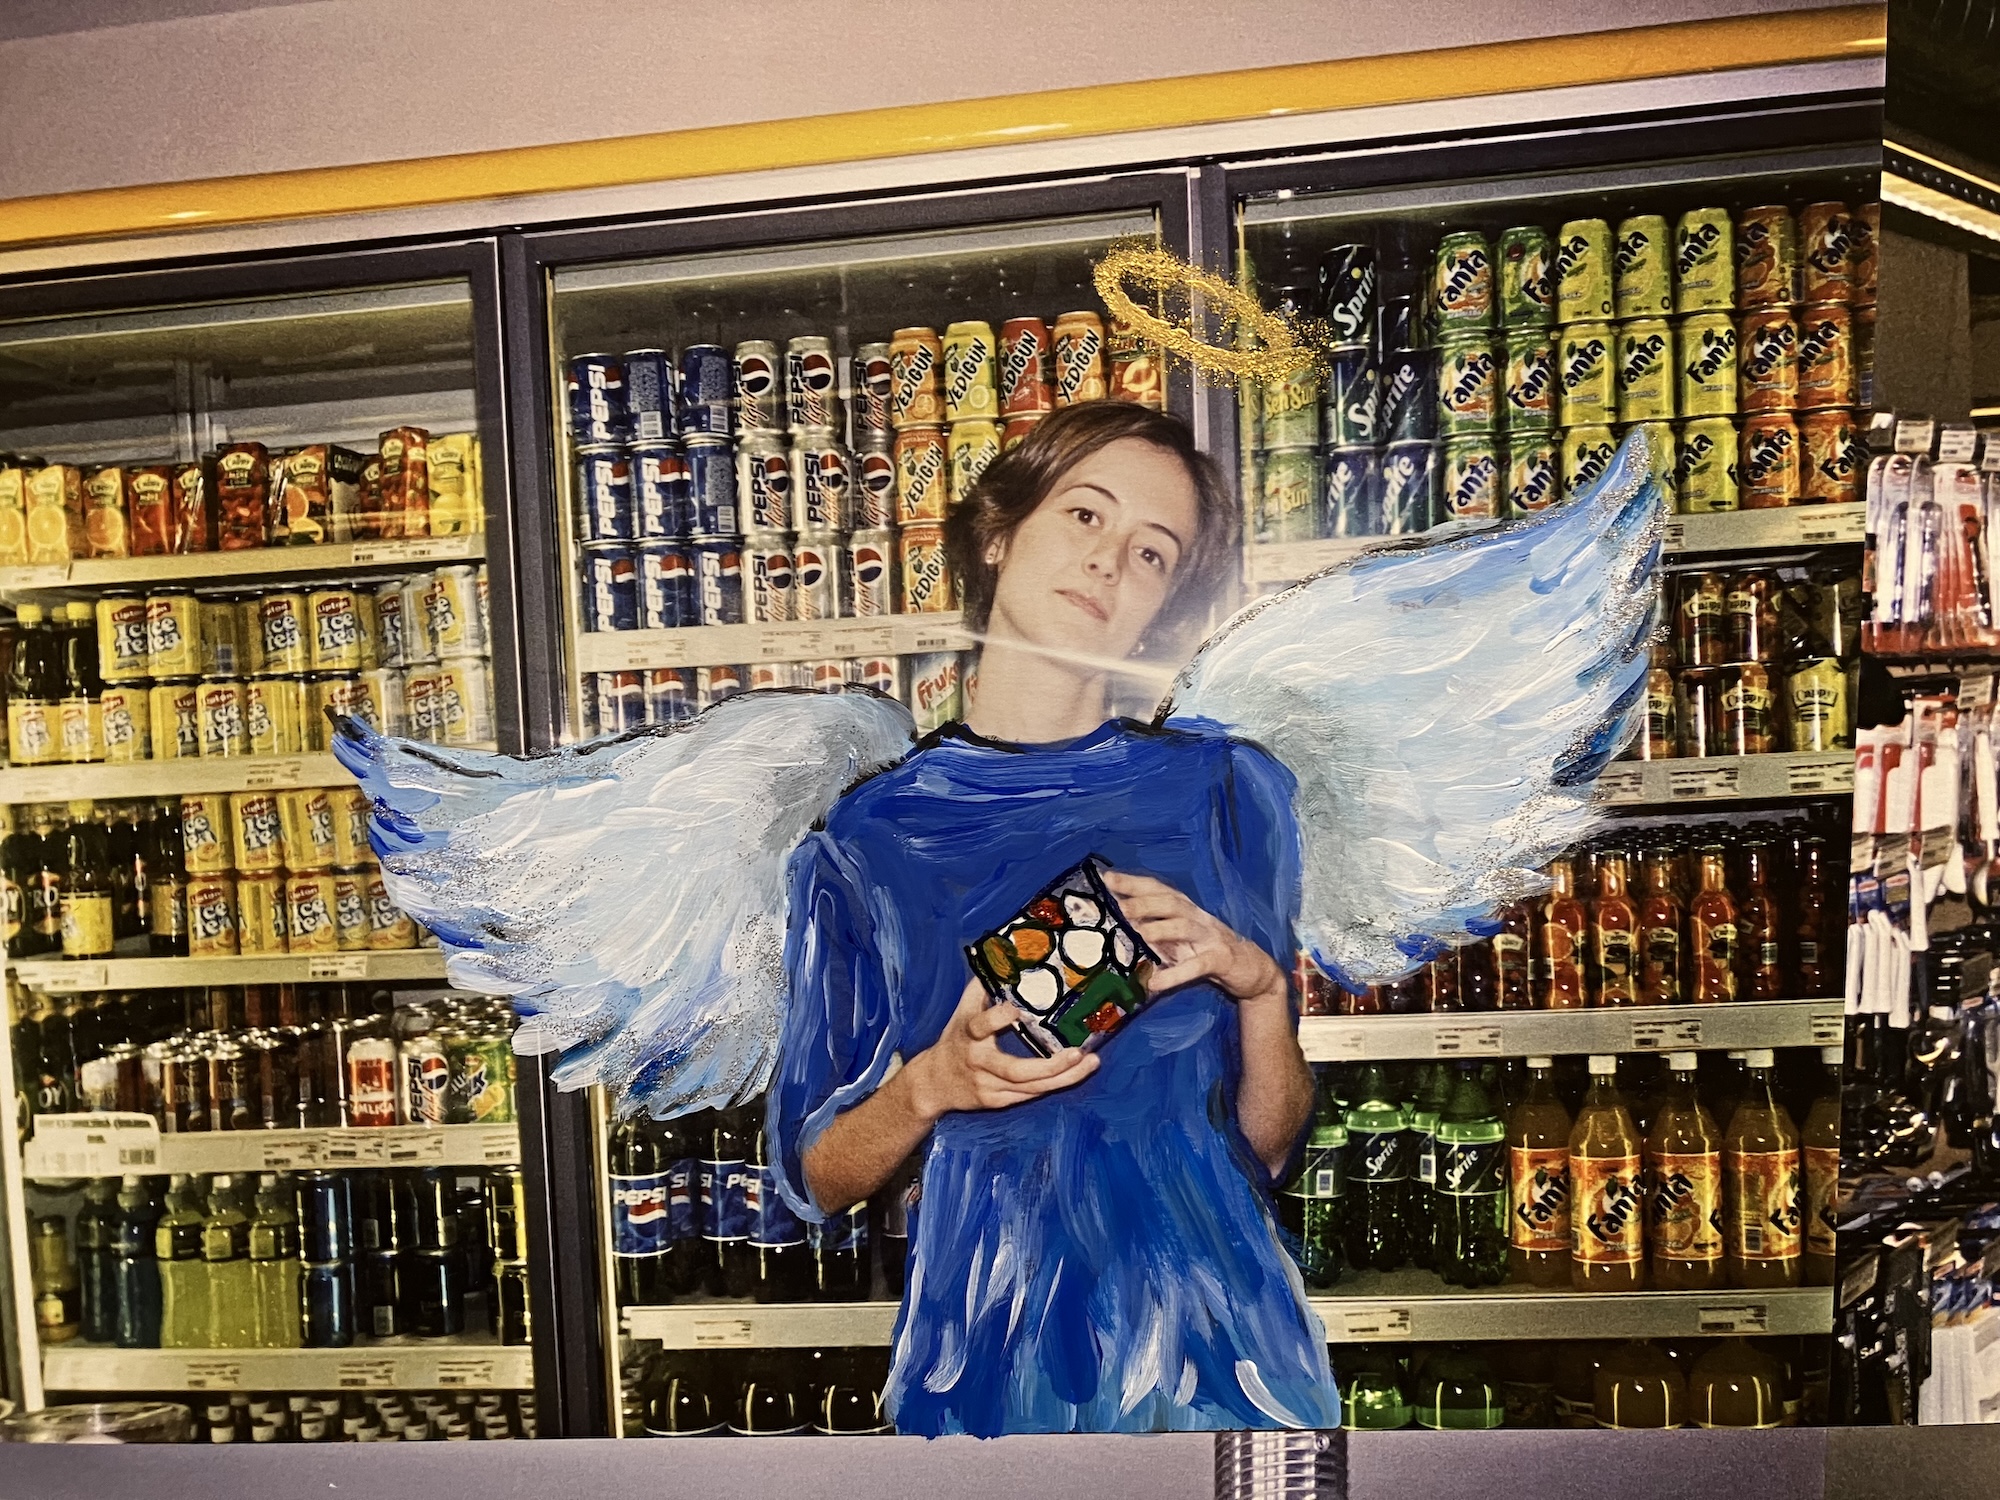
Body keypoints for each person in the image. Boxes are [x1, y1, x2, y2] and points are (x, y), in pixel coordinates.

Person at [768, 400, 1340, 1436]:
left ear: (1160, 608)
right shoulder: (868, 836)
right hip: (992, 1353)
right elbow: (814, 1178)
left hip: (1224, 1352)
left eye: (1152, 552)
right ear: (997, 533)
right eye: (1084, 515)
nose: (1109, 561)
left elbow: (1263, 1153)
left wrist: (1259, 991)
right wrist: (931, 1085)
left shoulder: (1225, 790)